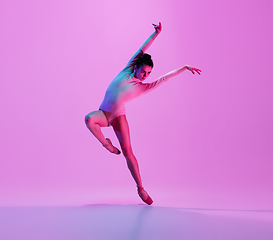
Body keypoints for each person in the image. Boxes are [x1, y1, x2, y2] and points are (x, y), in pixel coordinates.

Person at [85, 22, 201, 205]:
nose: (146, 75)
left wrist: (184, 67)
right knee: (89, 119)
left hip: (118, 117)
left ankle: (140, 188)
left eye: (149, 73)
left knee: (128, 153)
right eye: (143, 71)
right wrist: (156, 34)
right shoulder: (127, 71)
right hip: (104, 114)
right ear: (137, 67)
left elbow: (164, 78)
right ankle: (107, 144)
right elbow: (142, 48)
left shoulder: (143, 87)